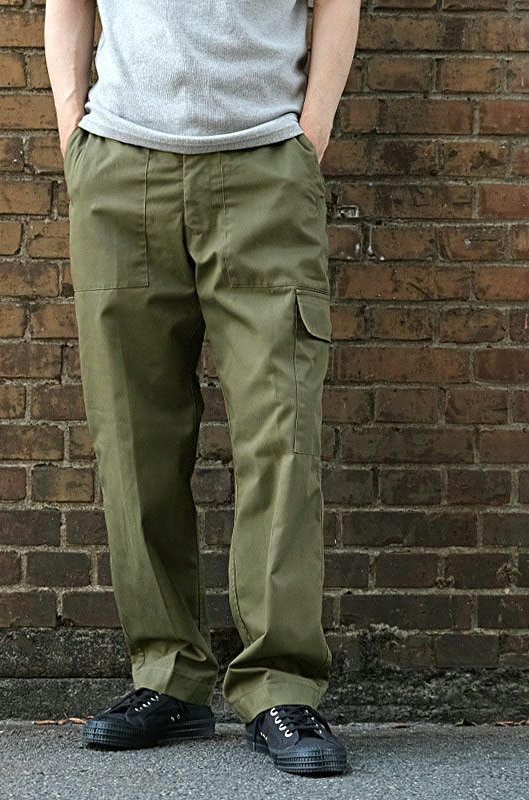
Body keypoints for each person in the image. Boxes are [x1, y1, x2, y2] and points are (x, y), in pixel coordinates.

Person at [44, 0, 360, 776]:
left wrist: (311, 132)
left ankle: (279, 685)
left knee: (280, 435)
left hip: (265, 168)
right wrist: (73, 136)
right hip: (120, 169)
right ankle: (167, 675)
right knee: (133, 437)